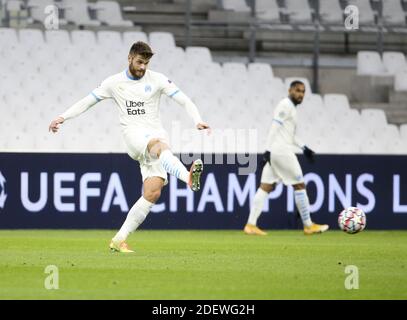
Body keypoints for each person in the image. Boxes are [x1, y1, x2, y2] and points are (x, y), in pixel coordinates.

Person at [49, 41, 210, 252]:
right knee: (160, 147)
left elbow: (184, 100)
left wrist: (197, 119)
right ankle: (187, 178)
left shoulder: (158, 79)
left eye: (146, 63)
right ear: (129, 58)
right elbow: (87, 101)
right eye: (140, 62)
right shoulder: (114, 83)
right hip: (134, 136)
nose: (143, 67)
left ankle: (119, 239)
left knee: (153, 192)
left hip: (155, 134)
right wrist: (63, 117)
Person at [244, 80, 329, 236]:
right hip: (281, 151)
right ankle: (308, 225)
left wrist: (304, 148)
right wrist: (267, 150)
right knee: (299, 185)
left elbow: (290, 135)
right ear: (290, 90)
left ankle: (250, 225)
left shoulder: (292, 109)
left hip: (276, 151)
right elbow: (275, 127)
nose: (300, 94)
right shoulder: (285, 105)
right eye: (297, 90)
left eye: (303, 91)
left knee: (266, 186)